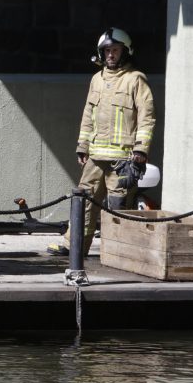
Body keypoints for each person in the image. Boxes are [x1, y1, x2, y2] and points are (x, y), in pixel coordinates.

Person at [47, 28, 155, 257]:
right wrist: (82, 147)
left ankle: (119, 253)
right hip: (95, 157)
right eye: (107, 51)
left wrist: (140, 150)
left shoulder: (135, 79)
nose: (110, 55)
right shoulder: (96, 79)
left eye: (115, 50)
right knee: (83, 201)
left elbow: (147, 118)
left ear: (125, 52)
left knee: (119, 208)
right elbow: (88, 116)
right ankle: (74, 245)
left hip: (123, 159)